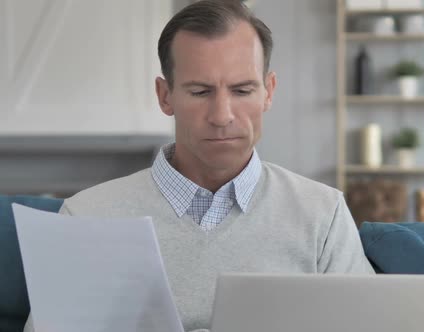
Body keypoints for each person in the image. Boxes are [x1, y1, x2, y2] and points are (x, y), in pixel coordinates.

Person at [23, 1, 373, 331]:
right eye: (200, 92)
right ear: (165, 96)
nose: (222, 116)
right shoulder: (85, 218)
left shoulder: (322, 216)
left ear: (268, 91)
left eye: (242, 90)